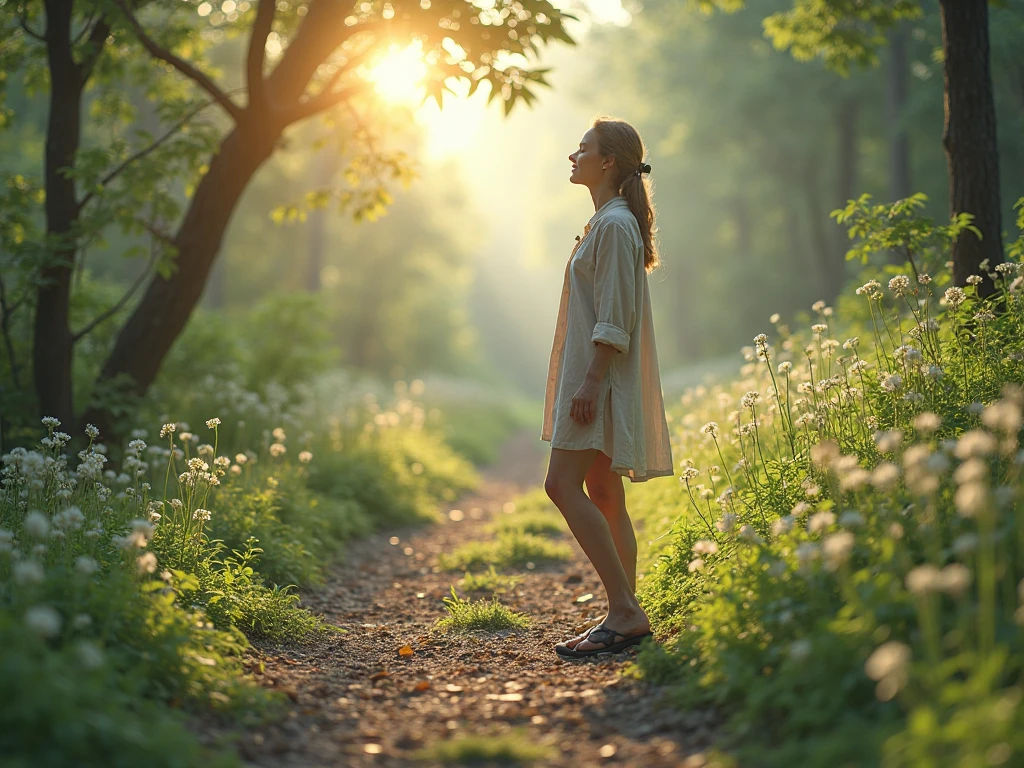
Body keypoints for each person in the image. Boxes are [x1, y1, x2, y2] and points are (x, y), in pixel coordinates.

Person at [541, 117, 674, 658]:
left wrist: (591, 383)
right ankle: (626, 614)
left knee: (561, 486)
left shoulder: (615, 225)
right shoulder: (606, 223)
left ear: (608, 162)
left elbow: (613, 318)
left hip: (599, 380)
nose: (573, 156)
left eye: (583, 149)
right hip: (594, 377)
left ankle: (624, 610)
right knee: (603, 492)